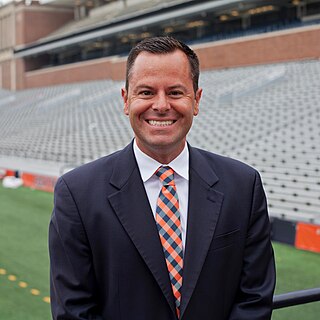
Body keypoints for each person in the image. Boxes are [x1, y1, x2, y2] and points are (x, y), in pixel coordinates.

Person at [49, 36, 276, 320]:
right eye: (145, 92)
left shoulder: (243, 185)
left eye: (175, 92)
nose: (160, 105)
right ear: (125, 100)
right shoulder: (77, 194)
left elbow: (254, 299)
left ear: (196, 100)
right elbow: (74, 311)